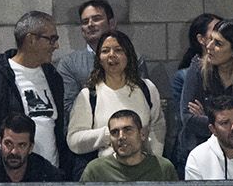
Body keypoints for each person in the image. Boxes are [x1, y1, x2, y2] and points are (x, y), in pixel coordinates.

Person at [0, 10, 68, 171]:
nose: (56, 46)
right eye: (52, 39)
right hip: (10, 179)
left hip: (50, 177)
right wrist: (6, 172)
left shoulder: (53, 77)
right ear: (31, 39)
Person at [173, 18, 233, 172]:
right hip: (199, 155)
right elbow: (188, 117)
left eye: (218, 43)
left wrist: (209, 118)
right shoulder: (198, 68)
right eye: (210, 40)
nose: (209, 46)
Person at [66, 28, 164, 163]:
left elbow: (157, 126)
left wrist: (154, 160)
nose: (112, 55)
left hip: (142, 169)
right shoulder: (89, 95)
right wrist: (112, 134)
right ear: (99, 59)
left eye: (118, 50)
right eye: (105, 51)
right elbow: (74, 141)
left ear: (128, 56)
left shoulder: (147, 88)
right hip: (105, 173)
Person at [57, 0, 116, 116]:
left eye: (96, 19)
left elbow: (140, 99)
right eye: (85, 22)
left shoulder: (132, 58)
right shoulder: (69, 63)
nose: (90, 24)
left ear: (111, 24)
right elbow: (68, 106)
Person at [167, 12, 220, 118]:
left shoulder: (230, 69)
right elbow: (186, 117)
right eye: (215, 31)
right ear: (201, 39)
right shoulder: (185, 75)